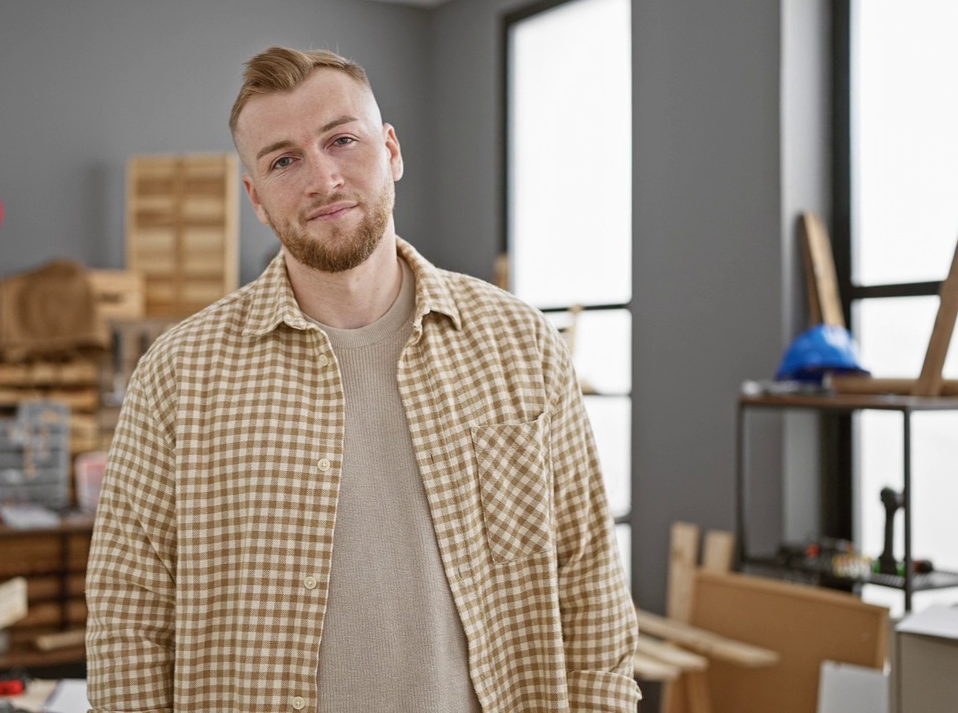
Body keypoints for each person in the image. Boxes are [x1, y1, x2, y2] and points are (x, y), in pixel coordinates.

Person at [86, 45, 640, 712]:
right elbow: (128, 616)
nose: (323, 179)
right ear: (256, 198)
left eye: (341, 140)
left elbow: (590, 588)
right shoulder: (179, 377)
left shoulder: (521, 346)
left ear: (392, 150)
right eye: (284, 160)